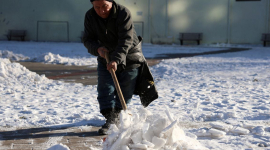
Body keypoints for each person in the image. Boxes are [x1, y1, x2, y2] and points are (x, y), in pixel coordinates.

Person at [83, 0, 158, 135]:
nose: (101, 11)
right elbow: (88, 39)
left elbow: (126, 40)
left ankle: (118, 118)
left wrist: (116, 59)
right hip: (105, 56)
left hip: (130, 56)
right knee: (105, 88)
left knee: (124, 91)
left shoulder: (123, 13)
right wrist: (97, 49)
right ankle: (111, 120)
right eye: (97, 7)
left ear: (111, 3)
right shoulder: (90, 16)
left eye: (105, 6)